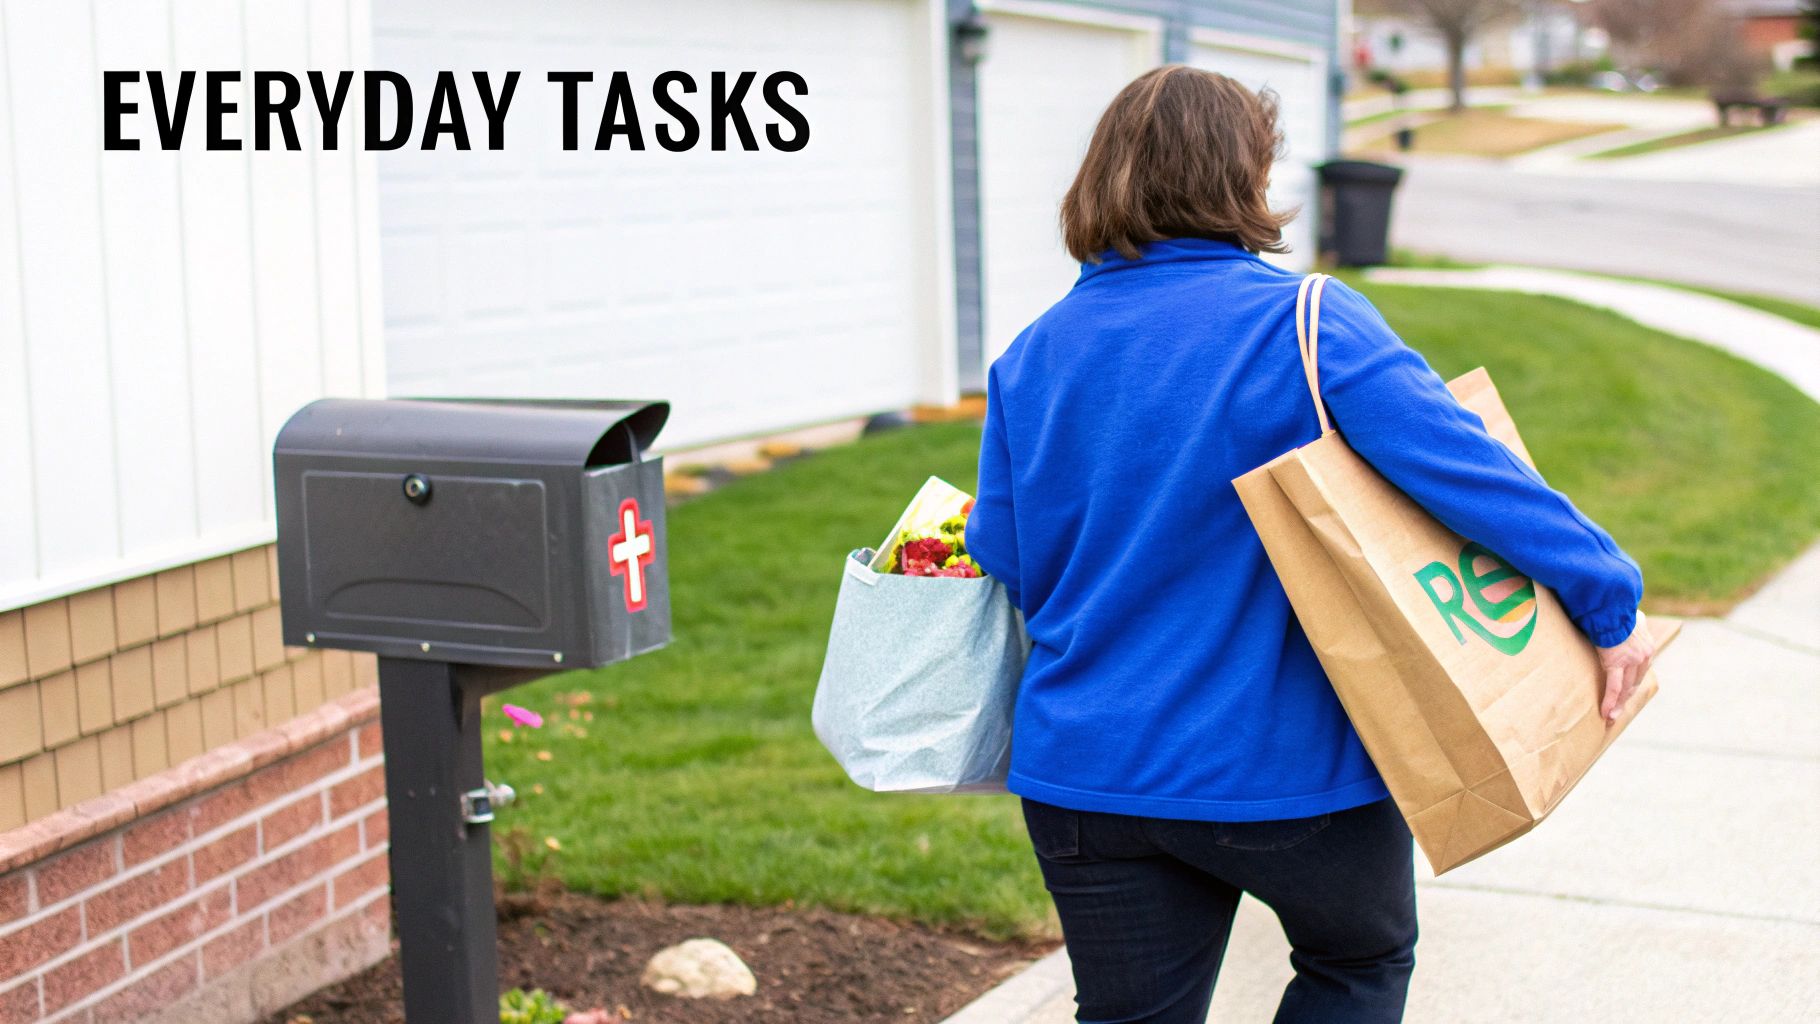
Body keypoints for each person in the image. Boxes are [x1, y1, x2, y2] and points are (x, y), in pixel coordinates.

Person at [962, 66, 1655, 1024]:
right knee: (1358, 962)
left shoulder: (1031, 353)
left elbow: (1006, 556)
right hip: (1283, 775)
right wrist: (1606, 599)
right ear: (1242, 176)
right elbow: (1475, 477)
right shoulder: (1305, 323)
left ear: (1106, 174)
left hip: (1088, 773)